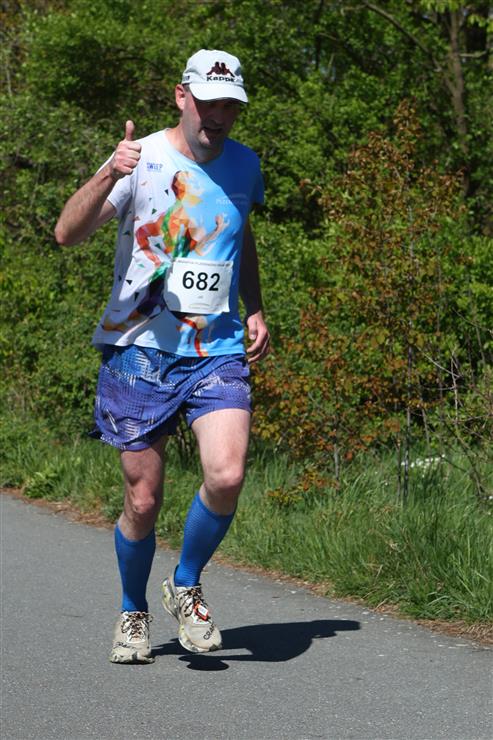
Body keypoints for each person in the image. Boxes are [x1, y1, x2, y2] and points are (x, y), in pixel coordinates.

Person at [54, 49, 270, 664]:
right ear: (182, 97)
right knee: (143, 501)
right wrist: (107, 174)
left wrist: (255, 306)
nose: (218, 116)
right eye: (208, 103)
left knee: (226, 475)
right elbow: (67, 234)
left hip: (215, 347)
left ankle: (186, 583)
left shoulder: (245, 164)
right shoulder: (140, 158)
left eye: (230, 106)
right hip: (139, 352)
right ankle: (132, 611)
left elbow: (240, 232)